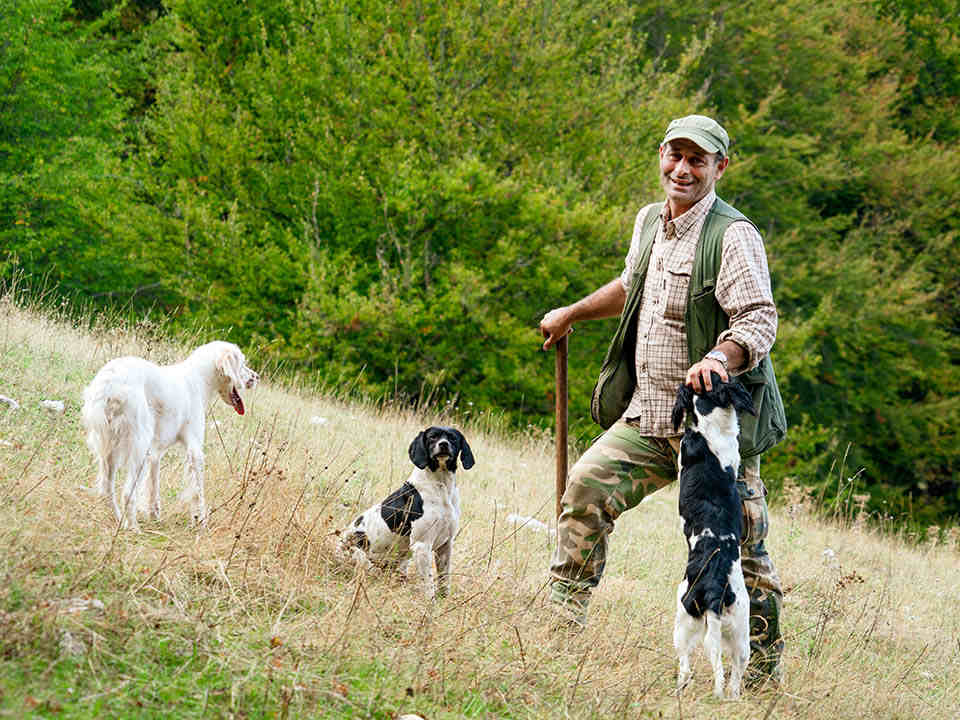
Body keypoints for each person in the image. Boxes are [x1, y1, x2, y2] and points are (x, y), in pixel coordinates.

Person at [539, 114, 787, 686]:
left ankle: (762, 682)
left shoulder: (733, 235)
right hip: (650, 415)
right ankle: (557, 628)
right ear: (661, 155)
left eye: (697, 160)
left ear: (719, 167)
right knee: (585, 489)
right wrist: (574, 311)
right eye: (674, 155)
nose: (682, 169)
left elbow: (758, 318)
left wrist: (719, 359)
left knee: (744, 553)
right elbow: (633, 286)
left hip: (714, 431)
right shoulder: (650, 221)